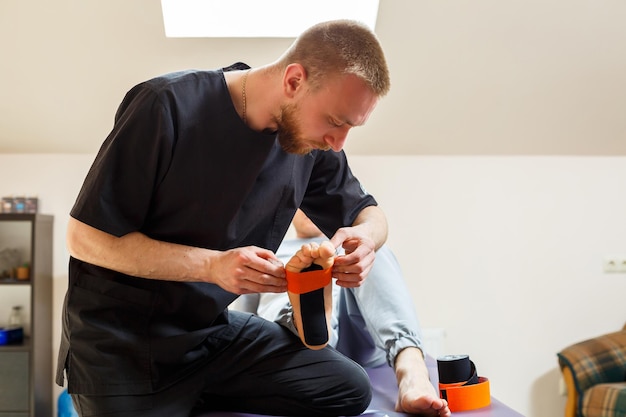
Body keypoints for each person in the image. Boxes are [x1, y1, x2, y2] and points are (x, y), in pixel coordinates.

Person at [56, 19, 392, 417]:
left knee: (349, 388)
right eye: (336, 122)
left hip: (210, 336)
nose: (338, 143)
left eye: (351, 127)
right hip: (120, 344)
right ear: (294, 80)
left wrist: (367, 239)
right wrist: (213, 266)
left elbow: (369, 213)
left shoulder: (310, 144)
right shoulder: (165, 104)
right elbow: (83, 238)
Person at [235, 210, 451, 417]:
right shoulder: (269, 250)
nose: (310, 211)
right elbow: (249, 324)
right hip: (295, 346)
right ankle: (308, 319)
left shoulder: (348, 246)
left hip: (359, 334)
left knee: (369, 248)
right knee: (280, 297)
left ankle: (412, 372)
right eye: (303, 204)